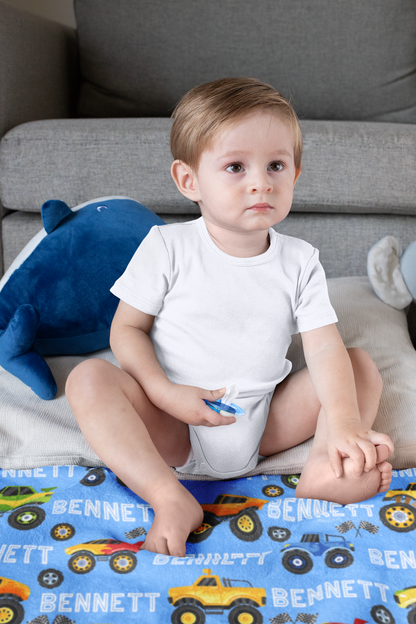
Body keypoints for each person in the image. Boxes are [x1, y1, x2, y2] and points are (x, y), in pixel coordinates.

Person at [66, 77, 394, 558]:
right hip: (174, 425)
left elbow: (322, 347)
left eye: (276, 165)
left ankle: (325, 466)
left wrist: (344, 421)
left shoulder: (300, 260)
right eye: (236, 167)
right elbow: (127, 329)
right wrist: (166, 394)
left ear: (295, 175)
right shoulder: (167, 247)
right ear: (188, 180)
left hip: (263, 423)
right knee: (88, 378)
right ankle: (168, 497)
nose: (261, 181)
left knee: (357, 364)